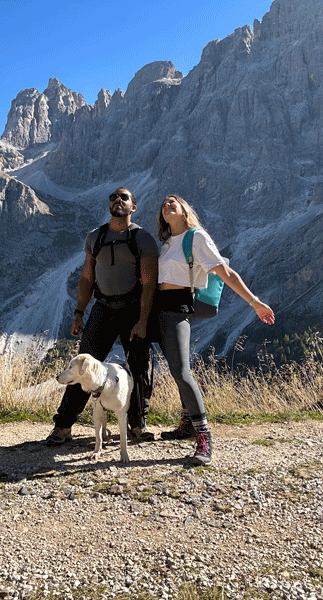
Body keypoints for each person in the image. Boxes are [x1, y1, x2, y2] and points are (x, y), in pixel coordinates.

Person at [154, 194, 275, 465]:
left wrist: (254, 303)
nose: (168, 204)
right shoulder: (167, 243)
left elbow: (227, 274)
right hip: (159, 309)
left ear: (186, 210)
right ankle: (187, 423)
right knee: (175, 367)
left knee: (182, 371)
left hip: (177, 308)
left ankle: (203, 435)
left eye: (174, 201)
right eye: (164, 203)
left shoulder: (196, 237)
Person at [46, 187, 159, 446]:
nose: (117, 200)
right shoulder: (95, 237)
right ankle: (63, 426)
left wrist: (142, 321)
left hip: (132, 309)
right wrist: (78, 314)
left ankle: (137, 426)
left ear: (134, 207)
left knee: (139, 368)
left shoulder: (143, 239)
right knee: (83, 368)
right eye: (113, 197)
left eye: (124, 198)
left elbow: (150, 284)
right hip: (103, 308)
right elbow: (87, 278)